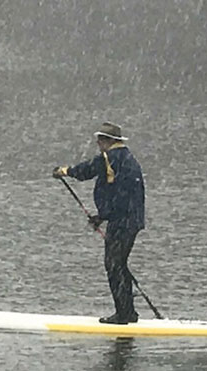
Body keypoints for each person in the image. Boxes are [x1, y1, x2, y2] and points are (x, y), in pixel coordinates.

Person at [53, 122, 145, 324]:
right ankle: (128, 311)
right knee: (118, 264)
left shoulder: (109, 158)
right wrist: (103, 216)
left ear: (110, 141)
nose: (98, 143)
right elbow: (123, 194)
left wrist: (64, 171)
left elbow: (86, 171)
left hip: (122, 221)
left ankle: (123, 315)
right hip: (130, 219)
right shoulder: (128, 158)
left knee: (113, 265)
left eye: (101, 140)